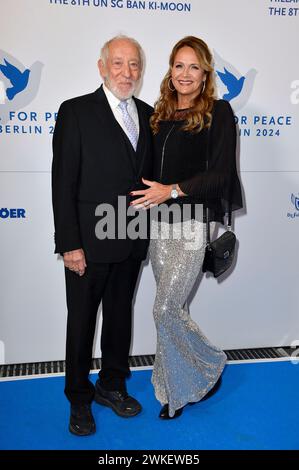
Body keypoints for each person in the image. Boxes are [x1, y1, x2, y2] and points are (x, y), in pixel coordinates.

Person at [130, 36, 243, 419]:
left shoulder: (219, 112)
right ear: (170, 69)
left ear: (206, 72)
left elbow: (221, 174)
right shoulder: (158, 114)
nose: (185, 74)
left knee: (163, 309)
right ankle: (172, 390)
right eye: (179, 65)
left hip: (192, 226)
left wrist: (173, 190)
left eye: (194, 66)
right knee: (172, 308)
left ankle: (210, 363)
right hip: (158, 228)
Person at [52, 35, 153, 435]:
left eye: (134, 65)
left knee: (118, 320)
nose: (126, 72)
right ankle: (78, 398)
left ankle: (111, 385)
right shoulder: (75, 112)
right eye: (118, 63)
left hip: (131, 239)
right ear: (101, 67)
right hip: (87, 246)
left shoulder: (148, 115)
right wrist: (69, 243)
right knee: (80, 323)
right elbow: (63, 183)